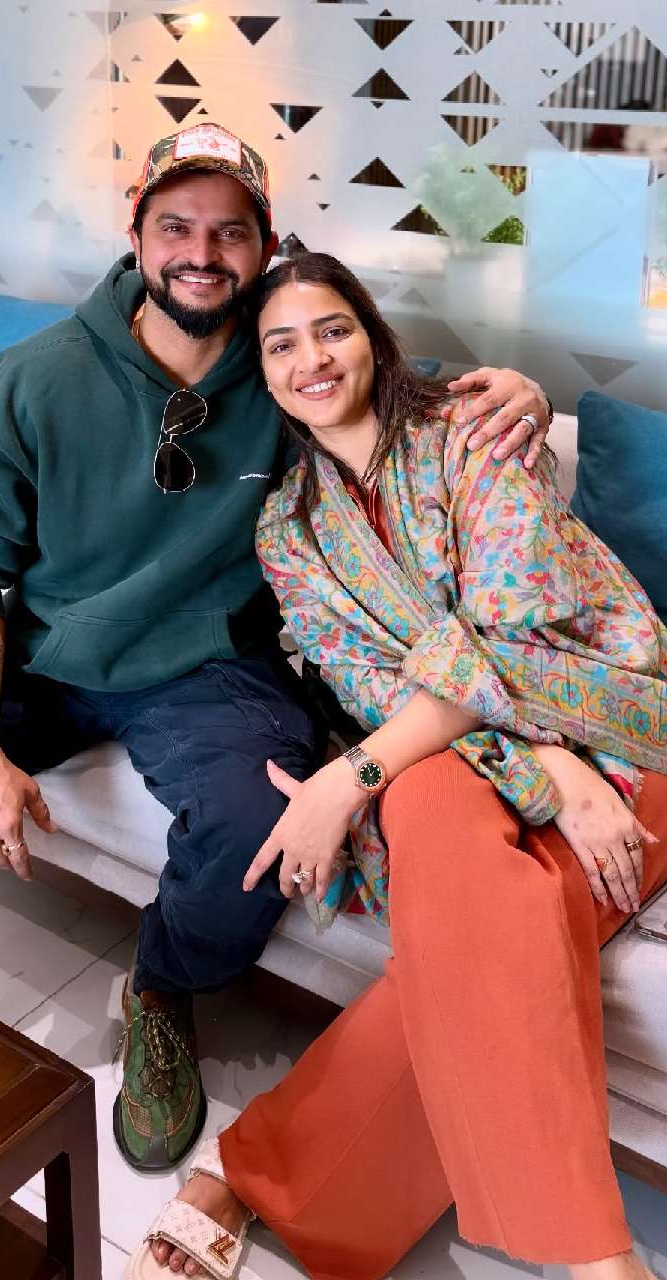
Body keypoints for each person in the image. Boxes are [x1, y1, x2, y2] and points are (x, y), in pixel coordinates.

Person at [0, 125, 551, 1174]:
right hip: (46, 645)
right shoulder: (34, 378)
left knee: (257, 822)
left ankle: (162, 985)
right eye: (176, 225)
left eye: (231, 232)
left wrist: (521, 396)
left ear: (265, 246)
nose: (201, 252)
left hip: (206, 665)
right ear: (136, 231)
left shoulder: (284, 372)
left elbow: (393, 396)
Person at [132, 253, 667, 1280]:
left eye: (331, 329)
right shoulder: (288, 530)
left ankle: (255, 1171)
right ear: (262, 372)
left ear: (372, 338)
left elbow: (522, 632)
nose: (311, 358)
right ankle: (603, 1264)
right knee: (430, 814)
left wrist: (349, 779)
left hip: (620, 727)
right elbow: (371, 688)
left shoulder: (476, 430)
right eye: (281, 344)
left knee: (441, 868)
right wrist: (544, 772)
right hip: (482, 752)